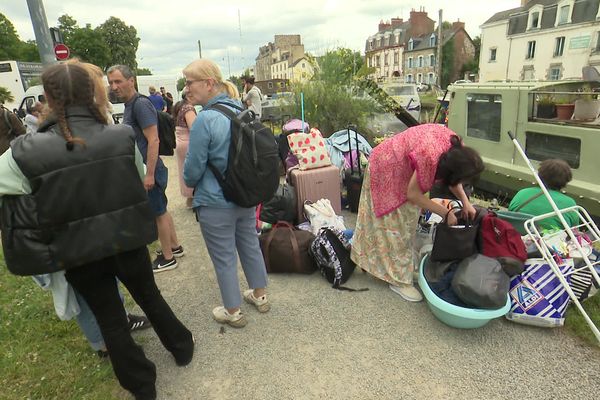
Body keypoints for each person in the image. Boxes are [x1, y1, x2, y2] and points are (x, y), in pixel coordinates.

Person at [0, 63, 194, 400]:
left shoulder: (23, 152)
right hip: (125, 238)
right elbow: (135, 177)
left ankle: (140, 384)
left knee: (110, 318)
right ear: (92, 93)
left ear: (47, 97)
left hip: (77, 250)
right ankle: (181, 346)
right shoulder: (119, 135)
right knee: (150, 296)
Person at [350, 124, 484, 302]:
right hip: (386, 166)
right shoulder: (430, 155)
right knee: (396, 225)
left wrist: (466, 202)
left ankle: (389, 266)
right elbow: (413, 194)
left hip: (401, 163)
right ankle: (398, 280)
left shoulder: (457, 147)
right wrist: (445, 213)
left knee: (406, 220)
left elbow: (454, 177)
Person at [182, 59, 269, 328]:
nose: (186, 89)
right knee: (249, 245)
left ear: (209, 83)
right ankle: (260, 295)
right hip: (244, 195)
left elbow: (193, 170)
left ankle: (233, 311)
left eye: (189, 82)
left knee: (224, 258)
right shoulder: (241, 111)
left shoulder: (205, 119)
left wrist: (187, 180)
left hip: (215, 201)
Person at [108, 65, 184, 272]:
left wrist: (149, 174)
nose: (114, 86)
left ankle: (168, 258)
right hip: (148, 168)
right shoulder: (131, 104)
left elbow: (154, 139)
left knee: (157, 213)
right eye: (111, 82)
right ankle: (175, 247)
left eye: (118, 81)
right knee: (162, 209)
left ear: (131, 80)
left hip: (150, 169)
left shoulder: (140, 104)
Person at [508, 158, 579, 229]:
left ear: (539, 175)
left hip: (516, 236)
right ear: (566, 180)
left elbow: (509, 216)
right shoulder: (570, 204)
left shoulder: (522, 193)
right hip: (549, 239)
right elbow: (575, 232)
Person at [172, 89, 196, 208]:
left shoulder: (179, 107)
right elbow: (194, 128)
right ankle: (193, 199)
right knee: (192, 170)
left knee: (184, 171)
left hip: (180, 142)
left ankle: (189, 200)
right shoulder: (189, 109)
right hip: (188, 142)